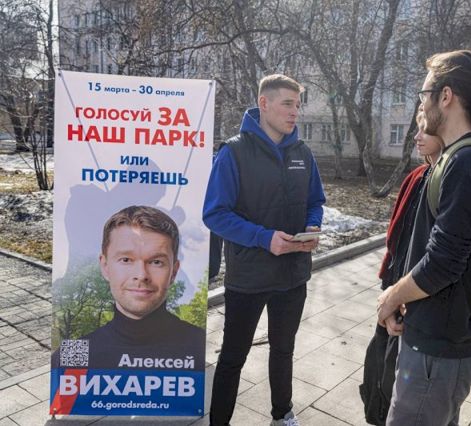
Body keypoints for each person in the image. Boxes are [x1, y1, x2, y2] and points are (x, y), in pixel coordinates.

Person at [376, 50, 471, 425]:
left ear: (446, 96)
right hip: (433, 342)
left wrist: (391, 297)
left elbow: (444, 262)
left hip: (438, 352)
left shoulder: (468, 162)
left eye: (424, 95)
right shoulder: (458, 158)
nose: (422, 104)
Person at [203, 74, 326, 426]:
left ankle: (282, 414)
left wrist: (312, 226)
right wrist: (263, 237)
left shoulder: (303, 153)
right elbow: (215, 214)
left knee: (283, 350)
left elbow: (315, 201)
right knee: (233, 357)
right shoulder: (234, 152)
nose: (295, 112)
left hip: (293, 274)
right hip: (249, 277)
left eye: (297, 105)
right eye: (287, 104)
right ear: (264, 104)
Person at [361, 112, 445, 425]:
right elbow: (397, 243)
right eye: (417, 129)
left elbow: (438, 258)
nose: (416, 136)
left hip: (418, 301)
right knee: (379, 373)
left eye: (425, 130)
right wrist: (388, 297)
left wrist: (401, 299)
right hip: (395, 292)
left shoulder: (448, 180)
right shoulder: (417, 177)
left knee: (401, 388)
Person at [52, 205, 205, 370]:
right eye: (126, 260)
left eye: (156, 262)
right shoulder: (73, 355)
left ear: (173, 272)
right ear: (105, 266)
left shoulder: (196, 346)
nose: (141, 275)